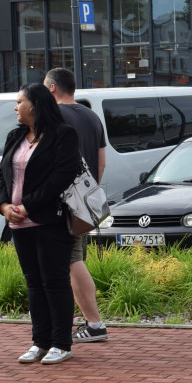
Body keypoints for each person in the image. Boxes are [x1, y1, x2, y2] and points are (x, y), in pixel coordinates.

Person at [0, 83, 82, 365]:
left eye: (19, 101)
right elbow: (0, 177)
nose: (16, 107)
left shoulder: (63, 134)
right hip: (19, 224)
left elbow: (62, 176)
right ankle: (39, 342)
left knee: (54, 282)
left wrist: (27, 205)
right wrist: (5, 206)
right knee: (34, 283)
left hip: (50, 221)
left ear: (35, 105)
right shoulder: (15, 136)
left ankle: (60, 344)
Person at [43, 67, 109, 343]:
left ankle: (95, 325)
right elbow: (101, 161)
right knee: (76, 259)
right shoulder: (92, 116)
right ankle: (90, 322)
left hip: (61, 202)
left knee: (71, 262)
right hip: (84, 202)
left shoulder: (53, 116)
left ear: (52, 88)